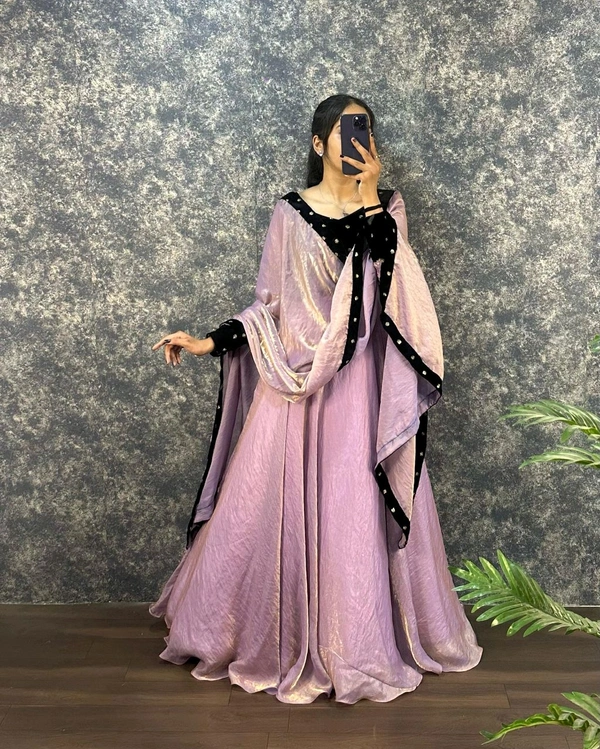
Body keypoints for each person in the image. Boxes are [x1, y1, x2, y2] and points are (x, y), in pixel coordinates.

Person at [149, 93, 483, 705]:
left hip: (360, 395)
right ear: (317, 142)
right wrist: (208, 341)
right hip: (292, 393)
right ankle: (258, 636)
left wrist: (369, 199)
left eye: (367, 129)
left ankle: (353, 643)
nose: (360, 139)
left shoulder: (387, 209)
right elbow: (270, 306)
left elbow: (396, 291)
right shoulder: (290, 213)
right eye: (348, 129)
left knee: (352, 513)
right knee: (258, 514)